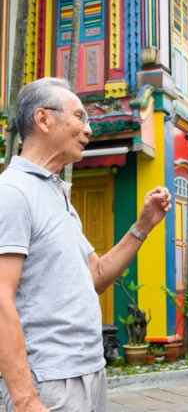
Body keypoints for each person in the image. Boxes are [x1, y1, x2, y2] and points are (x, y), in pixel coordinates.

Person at [0, 78, 171, 412]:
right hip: (47, 381)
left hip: (89, 370)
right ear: (43, 119)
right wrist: (24, 398)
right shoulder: (13, 192)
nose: (88, 129)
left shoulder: (58, 193)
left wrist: (142, 226)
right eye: (79, 116)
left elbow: (95, 274)